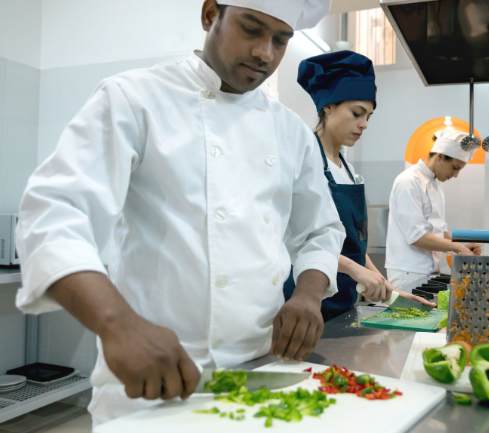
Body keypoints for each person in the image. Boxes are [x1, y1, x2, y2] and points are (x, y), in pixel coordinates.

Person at [13, 0, 343, 425]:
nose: (265, 53)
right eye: (252, 28)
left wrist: (308, 295)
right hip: (150, 381)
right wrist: (118, 325)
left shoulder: (291, 131)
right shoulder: (133, 97)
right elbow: (54, 215)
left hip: (262, 370)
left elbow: (320, 230)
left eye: (281, 40)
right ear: (210, 15)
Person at [287, 50, 433, 320]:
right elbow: (296, 239)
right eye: (357, 113)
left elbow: (352, 244)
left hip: (343, 302)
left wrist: (390, 292)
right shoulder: (302, 160)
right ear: (328, 106)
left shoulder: (349, 170)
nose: (364, 124)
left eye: (369, 116)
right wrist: (356, 271)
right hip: (306, 301)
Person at [385, 130, 481, 292]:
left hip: (430, 271)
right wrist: (457, 248)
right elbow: (416, 236)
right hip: (408, 272)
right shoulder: (408, 182)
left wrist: (461, 245)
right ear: (440, 157)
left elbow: (439, 230)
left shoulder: (436, 186)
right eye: (455, 168)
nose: (456, 175)